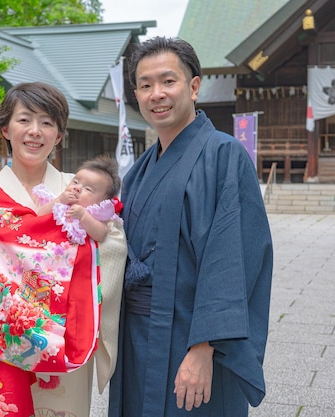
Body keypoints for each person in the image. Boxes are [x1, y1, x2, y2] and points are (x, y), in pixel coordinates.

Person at [108, 37, 273, 417]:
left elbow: (233, 258)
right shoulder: (138, 173)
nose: (156, 94)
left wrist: (204, 348)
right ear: (136, 94)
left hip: (193, 336)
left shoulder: (224, 155)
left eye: (168, 81)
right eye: (145, 85)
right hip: (138, 336)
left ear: (194, 86)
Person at [0, 82, 127, 417]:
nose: (35, 131)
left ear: (59, 135)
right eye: (24, 120)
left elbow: (113, 242)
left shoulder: (79, 188)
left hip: (63, 340)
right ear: (5, 128)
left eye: (47, 122)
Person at [34, 154, 123, 244]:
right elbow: (40, 214)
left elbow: (101, 235)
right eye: (75, 182)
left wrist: (83, 215)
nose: (77, 188)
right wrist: (59, 200)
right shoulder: (60, 204)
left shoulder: (95, 214)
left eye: (88, 189)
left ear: (103, 202)